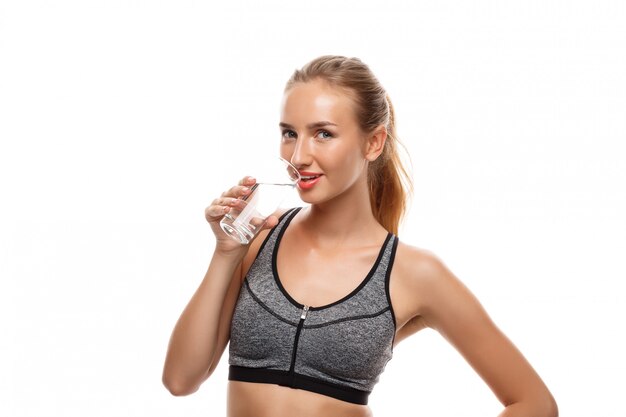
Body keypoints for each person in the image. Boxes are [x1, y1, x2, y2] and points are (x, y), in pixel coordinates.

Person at [162, 55, 558, 417]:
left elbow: (535, 404)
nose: (298, 156)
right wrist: (226, 253)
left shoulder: (414, 272)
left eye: (323, 134)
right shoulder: (259, 238)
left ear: (373, 142)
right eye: (288, 133)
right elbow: (180, 380)